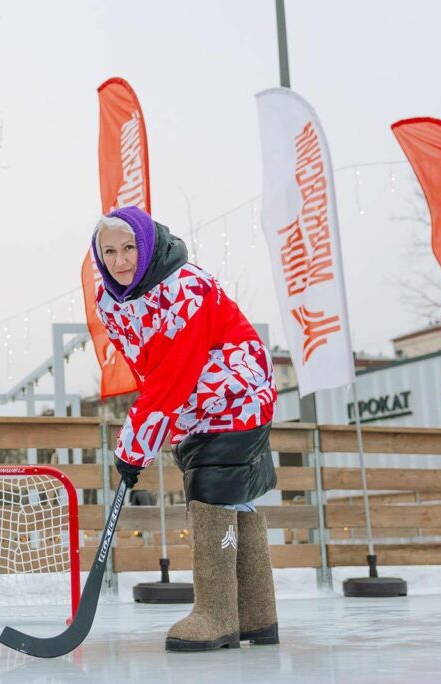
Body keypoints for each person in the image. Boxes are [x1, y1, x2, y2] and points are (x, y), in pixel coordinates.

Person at [91, 205, 278, 652]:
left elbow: (172, 373)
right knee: (238, 499)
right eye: (110, 252)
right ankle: (257, 617)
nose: (120, 261)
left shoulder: (186, 288)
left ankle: (216, 615)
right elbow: (150, 369)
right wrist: (154, 429)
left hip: (237, 393)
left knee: (212, 490)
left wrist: (136, 443)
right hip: (197, 403)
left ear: (148, 244)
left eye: (130, 248)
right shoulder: (111, 301)